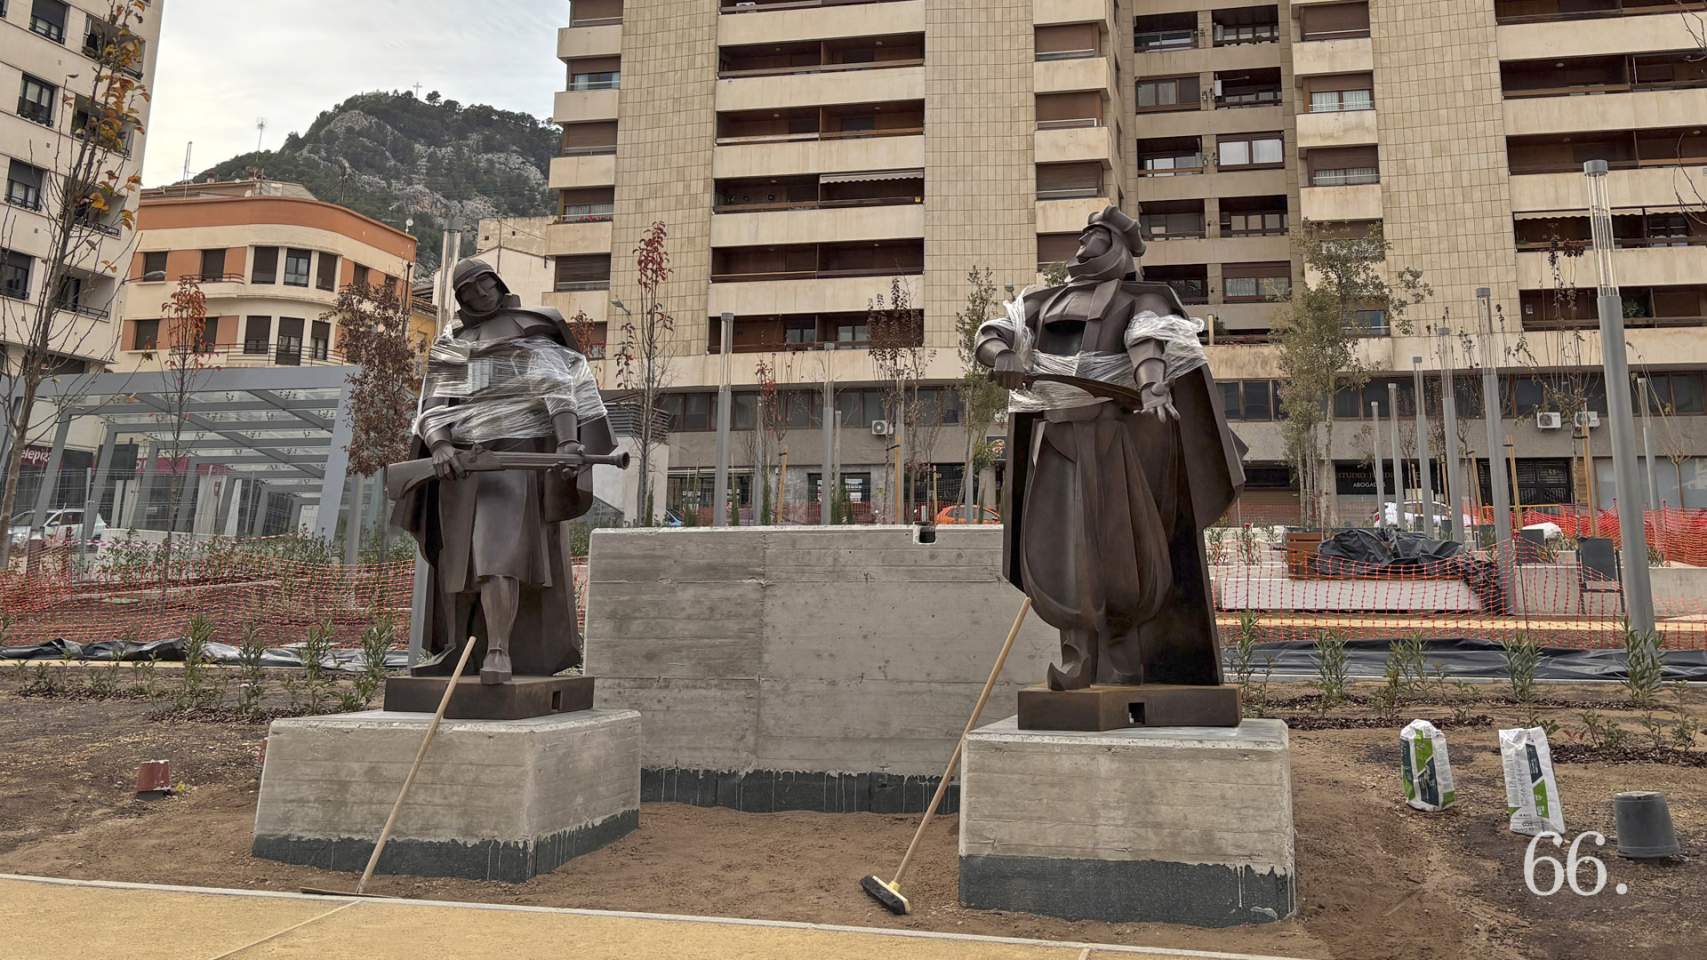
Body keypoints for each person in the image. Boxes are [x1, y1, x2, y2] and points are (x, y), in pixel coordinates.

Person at [976, 207, 1244, 691]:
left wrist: (1153, 386)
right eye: (1081, 237)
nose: (1081, 246)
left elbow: (1148, 342)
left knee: (1123, 551)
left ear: (1119, 245)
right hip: (1056, 442)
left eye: (1094, 237)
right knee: (1056, 550)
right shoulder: (1043, 302)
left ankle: (1124, 661)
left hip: (1111, 442)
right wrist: (1004, 357)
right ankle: (1078, 661)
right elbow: (993, 333)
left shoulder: (1140, 298)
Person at [390, 258, 616, 684]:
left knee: (498, 557)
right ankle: (458, 651)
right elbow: (434, 404)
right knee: (454, 562)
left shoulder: (530, 331)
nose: (480, 293)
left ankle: (498, 651)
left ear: (497, 281)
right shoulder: (453, 343)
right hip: (459, 466)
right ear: (460, 299)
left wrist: (569, 442)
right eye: (468, 290)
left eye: (483, 283)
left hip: (512, 460)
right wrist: (438, 445)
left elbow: (557, 389)